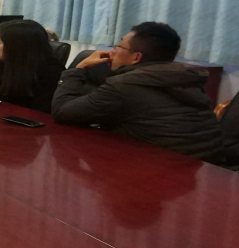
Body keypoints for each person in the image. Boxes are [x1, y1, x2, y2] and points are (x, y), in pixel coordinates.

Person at [51, 22, 223, 162]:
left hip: (158, 171)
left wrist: (78, 69)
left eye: (118, 46)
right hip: (203, 168)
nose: (112, 51)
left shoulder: (125, 85)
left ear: (136, 57)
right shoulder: (185, 77)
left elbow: (62, 112)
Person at [0, 20, 66, 112]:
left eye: (0, 42)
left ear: (16, 46)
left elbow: (40, 112)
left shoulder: (50, 72)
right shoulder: (9, 64)